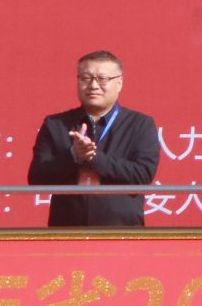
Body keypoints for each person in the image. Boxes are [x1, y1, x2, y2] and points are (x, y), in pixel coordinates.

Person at [28, 50, 161, 228]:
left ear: (119, 83)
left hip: (121, 230)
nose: (93, 85)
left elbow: (142, 175)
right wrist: (73, 156)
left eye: (102, 79)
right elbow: (37, 178)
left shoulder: (140, 124)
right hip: (66, 230)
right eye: (85, 78)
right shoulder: (55, 124)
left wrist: (94, 158)